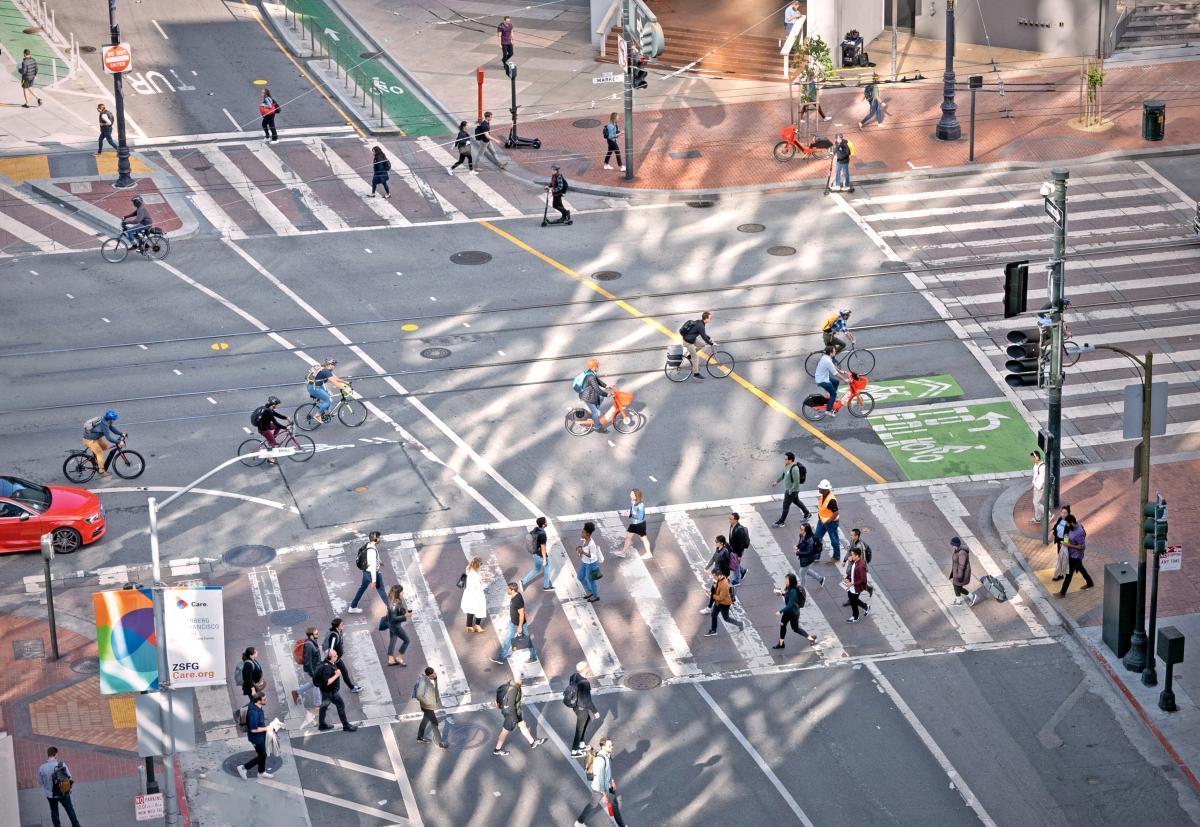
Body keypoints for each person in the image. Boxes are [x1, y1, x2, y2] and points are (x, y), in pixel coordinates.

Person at [574, 737, 629, 827]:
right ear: (603, 747)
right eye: (609, 746)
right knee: (613, 806)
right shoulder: (601, 760)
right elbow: (600, 779)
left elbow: (606, 772)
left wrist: (611, 780)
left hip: (605, 786)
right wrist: (605, 795)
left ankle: (579, 822)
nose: (612, 747)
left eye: (612, 745)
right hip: (602, 788)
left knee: (593, 805)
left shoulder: (607, 755)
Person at [493, 673, 546, 756]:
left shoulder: (508, 685)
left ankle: (532, 742)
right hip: (511, 715)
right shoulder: (514, 690)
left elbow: (499, 692)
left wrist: (499, 704)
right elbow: (511, 707)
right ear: (518, 680)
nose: (523, 681)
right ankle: (497, 749)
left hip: (511, 712)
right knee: (504, 732)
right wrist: (515, 719)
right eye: (522, 679)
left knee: (523, 725)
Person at [491, 581, 538, 662]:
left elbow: (521, 613)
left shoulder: (517, 600)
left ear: (512, 590)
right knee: (511, 639)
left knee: (515, 640)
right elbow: (521, 610)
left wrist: (519, 627)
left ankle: (533, 656)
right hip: (513, 622)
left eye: (508, 589)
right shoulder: (516, 595)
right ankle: (502, 657)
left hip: (517, 624)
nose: (507, 590)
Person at [314, 650, 358, 732]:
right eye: (335, 655)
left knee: (323, 707)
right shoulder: (327, 668)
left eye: (336, 654)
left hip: (325, 691)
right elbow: (326, 682)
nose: (337, 656)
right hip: (331, 693)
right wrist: (337, 675)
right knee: (341, 706)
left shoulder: (326, 662)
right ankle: (346, 726)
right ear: (330, 657)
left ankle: (322, 725)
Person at [38, 746, 81, 827]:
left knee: (54, 811)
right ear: (56, 754)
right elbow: (70, 778)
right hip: (63, 793)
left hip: (50, 795)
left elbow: (40, 782)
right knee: (70, 810)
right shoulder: (61, 764)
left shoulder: (41, 768)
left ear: (48, 755)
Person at [348, 531, 388, 613]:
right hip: (372, 573)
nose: (380, 539)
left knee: (362, 588)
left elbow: (372, 559)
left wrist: (379, 562)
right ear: (375, 539)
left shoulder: (369, 545)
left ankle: (353, 607)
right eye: (379, 538)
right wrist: (373, 581)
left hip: (366, 572)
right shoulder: (372, 551)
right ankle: (392, 610)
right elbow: (373, 567)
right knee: (382, 591)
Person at [774, 572, 817, 649]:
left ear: (791, 581)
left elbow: (790, 604)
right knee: (782, 625)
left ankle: (811, 638)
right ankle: (781, 643)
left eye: (787, 579)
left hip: (794, 613)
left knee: (795, 629)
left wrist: (780, 612)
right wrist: (781, 594)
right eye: (785, 578)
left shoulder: (793, 591)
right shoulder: (788, 588)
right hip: (788, 612)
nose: (785, 580)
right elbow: (788, 597)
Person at [566, 662, 599, 756]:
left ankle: (581, 744)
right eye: (587, 667)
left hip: (575, 706)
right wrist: (595, 711)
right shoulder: (585, 683)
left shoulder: (573, 676)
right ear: (585, 669)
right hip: (582, 709)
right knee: (579, 729)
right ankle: (575, 750)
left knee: (587, 720)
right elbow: (588, 700)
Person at [236, 693, 272, 779]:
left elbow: (254, 696)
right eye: (264, 699)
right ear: (258, 701)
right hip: (256, 738)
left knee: (263, 754)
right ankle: (243, 768)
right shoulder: (254, 713)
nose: (266, 700)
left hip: (261, 735)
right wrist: (267, 728)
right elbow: (253, 729)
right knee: (262, 755)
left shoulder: (256, 705)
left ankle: (261, 772)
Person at [1058, 515, 1094, 596]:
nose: (1067, 525)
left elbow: (1082, 546)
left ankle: (1062, 593)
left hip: (1076, 556)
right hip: (1072, 554)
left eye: (1067, 524)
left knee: (1069, 574)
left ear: (1072, 523)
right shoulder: (1073, 528)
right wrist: (1065, 541)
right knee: (1081, 568)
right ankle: (1090, 582)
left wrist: (1069, 545)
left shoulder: (1079, 532)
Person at [772, 451, 810, 526]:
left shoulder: (795, 469)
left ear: (790, 460)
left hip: (792, 490)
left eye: (785, 459)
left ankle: (781, 522)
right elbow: (783, 475)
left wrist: (790, 491)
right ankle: (807, 513)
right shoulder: (786, 465)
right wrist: (776, 481)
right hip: (791, 490)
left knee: (785, 506)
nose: (784, 460)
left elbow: (796, 482)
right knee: (796, 501)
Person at [82, 409, 125, 476]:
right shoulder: (104, 424)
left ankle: (93, 457)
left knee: (105, 446)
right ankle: (101, 471)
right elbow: (109, 438)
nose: (114, 421)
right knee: (99, 453)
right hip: (89, 440)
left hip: (96, 438)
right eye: (113, 419)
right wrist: (119, 442)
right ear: (110, 419)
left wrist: (121, 434)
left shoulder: (106, 420)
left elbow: (111, 428)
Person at [324, 618, 362, 693]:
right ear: (336, 626)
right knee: (330, 677)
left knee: (344, 672)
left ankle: (352, 687)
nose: (343, 625)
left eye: (343, 624)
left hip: (336, 659)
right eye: (341, 625)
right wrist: (332, 661)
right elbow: (331, 650)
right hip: (333, 661)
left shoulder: (339, 631)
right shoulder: (334, 636)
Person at [415, 666, 449, 748]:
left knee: (425, 720)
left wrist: (436, 680)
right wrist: (428, 703)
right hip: (427, 706)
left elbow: (434, 690)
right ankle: (441, 743)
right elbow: (419, 696)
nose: (435, 674)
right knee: (434, 723)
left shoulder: (432, 679)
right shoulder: (423, 683)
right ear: (429, 675)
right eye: (433, 673)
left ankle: (419, 737)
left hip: (429, 705)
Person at [305, 357, 347, 422]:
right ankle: (317, 415)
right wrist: (345, 388)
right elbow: (334, 382)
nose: (335, 366)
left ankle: (327, 413)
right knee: (328, 401)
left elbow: (336, 379)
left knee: (329, 396)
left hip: (317, 386)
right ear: (329, 365)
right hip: (314, 388)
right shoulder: (326, 371)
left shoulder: (327, 370)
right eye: (334, 364)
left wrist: (346, 382)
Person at [704, 569, 744, 636]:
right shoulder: (720, 579)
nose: (713, 577)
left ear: (719, 575)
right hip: (718, 602)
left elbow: (721, 597)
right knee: (714, 614)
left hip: (724, 604)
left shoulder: (724, 584)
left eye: (714, 576)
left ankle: (740, 624)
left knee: (726, 618)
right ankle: (713, 630)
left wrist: (712, 595)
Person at [290, 626, 321, 708]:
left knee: (314, 684)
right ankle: (317, 705)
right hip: (314, 669)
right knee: (317, 685)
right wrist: (313, 674)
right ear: (311, 635)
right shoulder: (309, 646)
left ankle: (297, 692)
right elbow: (307, 662)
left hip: (316, 667)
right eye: (316, 633)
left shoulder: (312, 641)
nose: (318, 634)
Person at [576, 358, 610, 433]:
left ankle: (592, 414)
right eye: (597, 366)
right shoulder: (591, 377)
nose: (598, 367)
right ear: (594, 367)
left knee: (600, 398)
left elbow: (598, 381)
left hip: (588, 394)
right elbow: (597, 389)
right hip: (587, 397)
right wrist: (606, 394)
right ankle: (597, 428)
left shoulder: (590, 373)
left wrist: (606, 386)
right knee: (595, 412)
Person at [520, 517, 553, 590]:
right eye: (546, 522)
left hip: (534, 553)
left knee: (536, 569)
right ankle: (546, 586)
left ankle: (523, 581)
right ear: (543, 525)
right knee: (547, 568)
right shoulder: (542, 535)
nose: (547, 523)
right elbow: (543, 548)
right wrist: (544, 559)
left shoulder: (534, 530)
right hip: (540, 555)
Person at [813, 479, 842, 562]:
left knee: (834, 541)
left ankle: (836, 557)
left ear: (825, 490)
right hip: (822, 521)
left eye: (820, 488)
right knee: (817, 538)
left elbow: (836, 513)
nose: (819, 489)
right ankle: (816, 556)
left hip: (831, 523)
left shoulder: (831, 500)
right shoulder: (823, 495)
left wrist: (829, 521)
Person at [679, 311, 714, 379]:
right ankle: (696, 374)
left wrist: (709, 338)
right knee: (695, 357)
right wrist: (711, 343)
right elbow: (704, 337)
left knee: (702, 345)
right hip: (688, 342)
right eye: (710, 318)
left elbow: (703, 333)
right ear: (706, 319)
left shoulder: (700, 322)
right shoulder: (701, 326)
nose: (710, 319)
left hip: (692, 338)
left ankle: (689, 356)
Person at [619, 489, 652, 559]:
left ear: (636, 495)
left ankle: (649, 553)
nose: (630, 495)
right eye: (630, 493)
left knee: (644, 539)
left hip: (640, 525)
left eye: (632, 494)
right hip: (634, 524)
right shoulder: (633, 501)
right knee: (628, 537)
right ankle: (623, 552)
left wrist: (630, 515)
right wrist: (629, 512)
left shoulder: (640, 505)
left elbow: (640, 517)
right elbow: (632, 508)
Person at [384, 584, 411, 666]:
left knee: (393, 640)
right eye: (401, 592)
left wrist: (403, 612)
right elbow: (393, 618)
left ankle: (390, 659)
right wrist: (405, 616)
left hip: (391, 625)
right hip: (395, 626)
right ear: (397, 593)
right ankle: (399, 657)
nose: (403, 593)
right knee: (407, 641)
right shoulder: (394, 604)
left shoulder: (392, 600)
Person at [575, 522, 603, 602]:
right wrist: (579, 550)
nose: (581, 533)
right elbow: (583, 549)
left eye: (583, 532)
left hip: (591, 564)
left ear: (587, 534)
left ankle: (595, 596)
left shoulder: (592, 544)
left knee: (591, 580)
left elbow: (593, 556)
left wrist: (582, 552)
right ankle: (590, 591)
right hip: (584, 562)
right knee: (580, 577)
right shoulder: (585, 540)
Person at [948, 537, 978, 607]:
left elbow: (962, 566)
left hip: (961, 574)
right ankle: (959, 600)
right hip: (957, 572)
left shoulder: (962, 553)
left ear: (956, 545)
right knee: (956, 586)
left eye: (952, 545)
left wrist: (960, 576)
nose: (951, 546)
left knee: (957, 587)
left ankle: (971, 596)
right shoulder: (957, 550)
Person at [794, 522, 825, 587]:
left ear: (806, 531)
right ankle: (820, 579)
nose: (800, 531)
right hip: (804, 557)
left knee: (802, 573)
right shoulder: (802, 535)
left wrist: (798, 553)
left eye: (802, 530)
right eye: (800, 529)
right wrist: (798, 546)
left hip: (808, 558)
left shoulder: (810, 540)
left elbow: (809, 552)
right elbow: (801, 542)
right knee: (806, 570)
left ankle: (802, 588)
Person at [846, 528, 874, 600]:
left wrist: (860, 568)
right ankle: (868, 588)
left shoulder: (860, 546)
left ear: (857, 536)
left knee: (855, 579)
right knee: (851, 576)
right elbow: (850, 549)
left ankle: (852, 598)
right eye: (851, 535)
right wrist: (845, 560)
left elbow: (862, 559)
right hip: (854, 561)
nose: (850, 536)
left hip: (859, 563)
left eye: (852, 535)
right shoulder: (853, 540)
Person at [461, 556, 487, 632]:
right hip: (476, 595)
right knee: (480, 609)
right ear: (477, 565)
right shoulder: (476, 576)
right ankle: (477, 625)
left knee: (470, 608)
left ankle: (468, 626)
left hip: (468, 593)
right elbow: (478, 587)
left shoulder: (468, 568)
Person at [844, 547, 870, 622]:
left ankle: (855, 616)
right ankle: (866, 607)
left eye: (852, 555)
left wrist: (852, 583)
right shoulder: (855, 562)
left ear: (857, 556)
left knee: (853, 602)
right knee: (852, 599)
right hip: (852, 586)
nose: (851, 556)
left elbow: (862, 580)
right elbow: (852, 572)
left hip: (856, 587)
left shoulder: (860, 566)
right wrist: (847, 578)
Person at [727, 512, 750, 585]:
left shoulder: (739, 530)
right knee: (735, 563)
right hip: (733, 549)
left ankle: (737, 581)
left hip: (737, 550)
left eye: (731, 519)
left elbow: (741, 545)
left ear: (736, 520)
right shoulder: (732, 525)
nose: (729, 520)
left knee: (735, 565)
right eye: (729, 518)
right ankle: (743, 571)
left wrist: (739, 556)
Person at [1052, 504, 1072, 581]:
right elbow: (1056, 526)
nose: (1063, 514)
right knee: (1061, 559)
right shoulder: (1060, 519)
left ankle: (1059, 575)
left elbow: (1068, 534)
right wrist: (1054, 530)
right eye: (1062, 512)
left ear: (1068, 514)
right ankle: (1061, 573)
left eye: (1065, 513)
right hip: (1058, 542)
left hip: (1063, 543)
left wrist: (1064, 543)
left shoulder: (1068, 523)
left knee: (1062, 559)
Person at [1030, 450, 1046, 523]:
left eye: (1033, 458)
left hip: (1039, 487)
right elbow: (1035, 475)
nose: (1031, 459)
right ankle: (1037, 518)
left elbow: (1042, 479)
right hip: (1036, 486)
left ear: (1036, 457)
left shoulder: (1042, 467)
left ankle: (1048, 514)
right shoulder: (1035, 465)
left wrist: (1038, 487)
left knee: (1036, 503)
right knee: (1035, 502)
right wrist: (1033, 483)